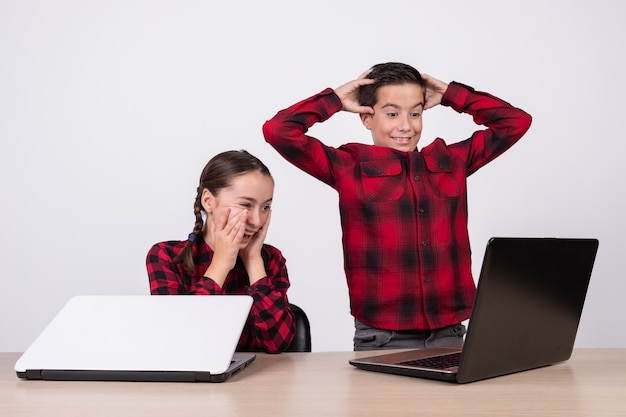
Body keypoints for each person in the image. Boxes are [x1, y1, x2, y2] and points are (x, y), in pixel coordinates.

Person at [263, 62, 532, 350]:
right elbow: (279, 131)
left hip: (450, 332)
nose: (406, 125)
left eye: (415, 113)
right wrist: (335, 101)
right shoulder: (348, 167)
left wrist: (453, 95)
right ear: (367, 118)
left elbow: (515, 122)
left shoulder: (452, 162)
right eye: (392, 113)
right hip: (383, 336)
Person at [146, 150, 295, 353]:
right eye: (245, 205)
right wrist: (222, 263)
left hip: (257, 382)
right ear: (208, 201)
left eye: (265, 207)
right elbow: (179, 339)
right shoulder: (165, 256)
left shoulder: (271, 259)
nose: (257, 221)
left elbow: (277, 344)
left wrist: (253, 261)